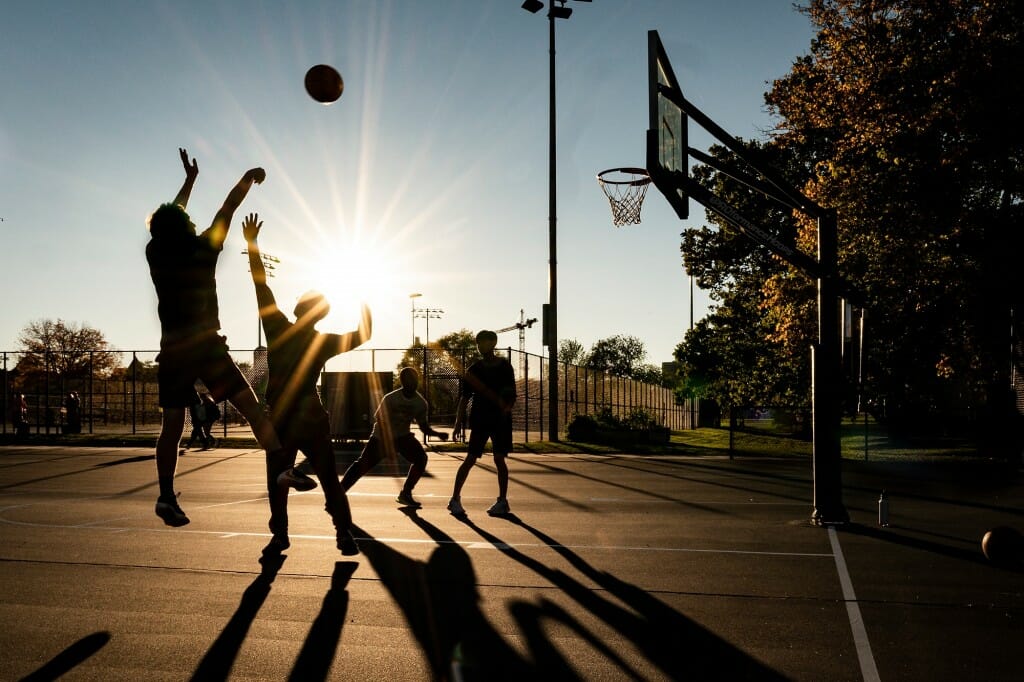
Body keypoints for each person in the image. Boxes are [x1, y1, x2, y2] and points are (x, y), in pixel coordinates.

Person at [146, 148, 291, 528]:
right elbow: (228, 207)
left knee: (172, 427)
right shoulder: (203, 248)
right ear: (186, 227)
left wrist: (189, 183)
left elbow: (170, 218)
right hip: (207, 346)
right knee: (252, 408)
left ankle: (165, 495)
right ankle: (281, 468)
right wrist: (248, 177)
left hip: (173, 349)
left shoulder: (156, 252)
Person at [243, 212, 371, 555]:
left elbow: (261, 286)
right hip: (312, 417)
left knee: (278, 478)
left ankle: (280, 534)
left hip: (282, 417)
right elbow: (365, 333)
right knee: (329, 479)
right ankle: (344, 533)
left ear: (298, 309)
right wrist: (362, 295)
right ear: (321, 314)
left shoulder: (279, 329)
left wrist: (252, 244)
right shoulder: (323, 341)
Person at [341, 366, 449, 508]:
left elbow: (423, 427)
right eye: (408, 380)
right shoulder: (391, 398)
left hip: (403, 437)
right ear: (403, 382)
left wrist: (437, 434)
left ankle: (406, 493)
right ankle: (338, 493)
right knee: (362, 465)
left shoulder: (420, 403)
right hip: (381, 437)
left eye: (414, 380)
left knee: (421, 458)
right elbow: (380, 419)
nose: (412, 383)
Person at [447, 330, 516, 516]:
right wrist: (457, 423)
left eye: (483, 342)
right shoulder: (474, 369)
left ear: (493, 343)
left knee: (499, 459)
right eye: (478, 343)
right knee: (470, 458)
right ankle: (455, 499)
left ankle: (502, 501)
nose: (480, 346)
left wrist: (505, 410)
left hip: (499, 420)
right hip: (480, 419)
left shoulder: (504, 367)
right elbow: (464, 398)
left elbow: (511, 396)